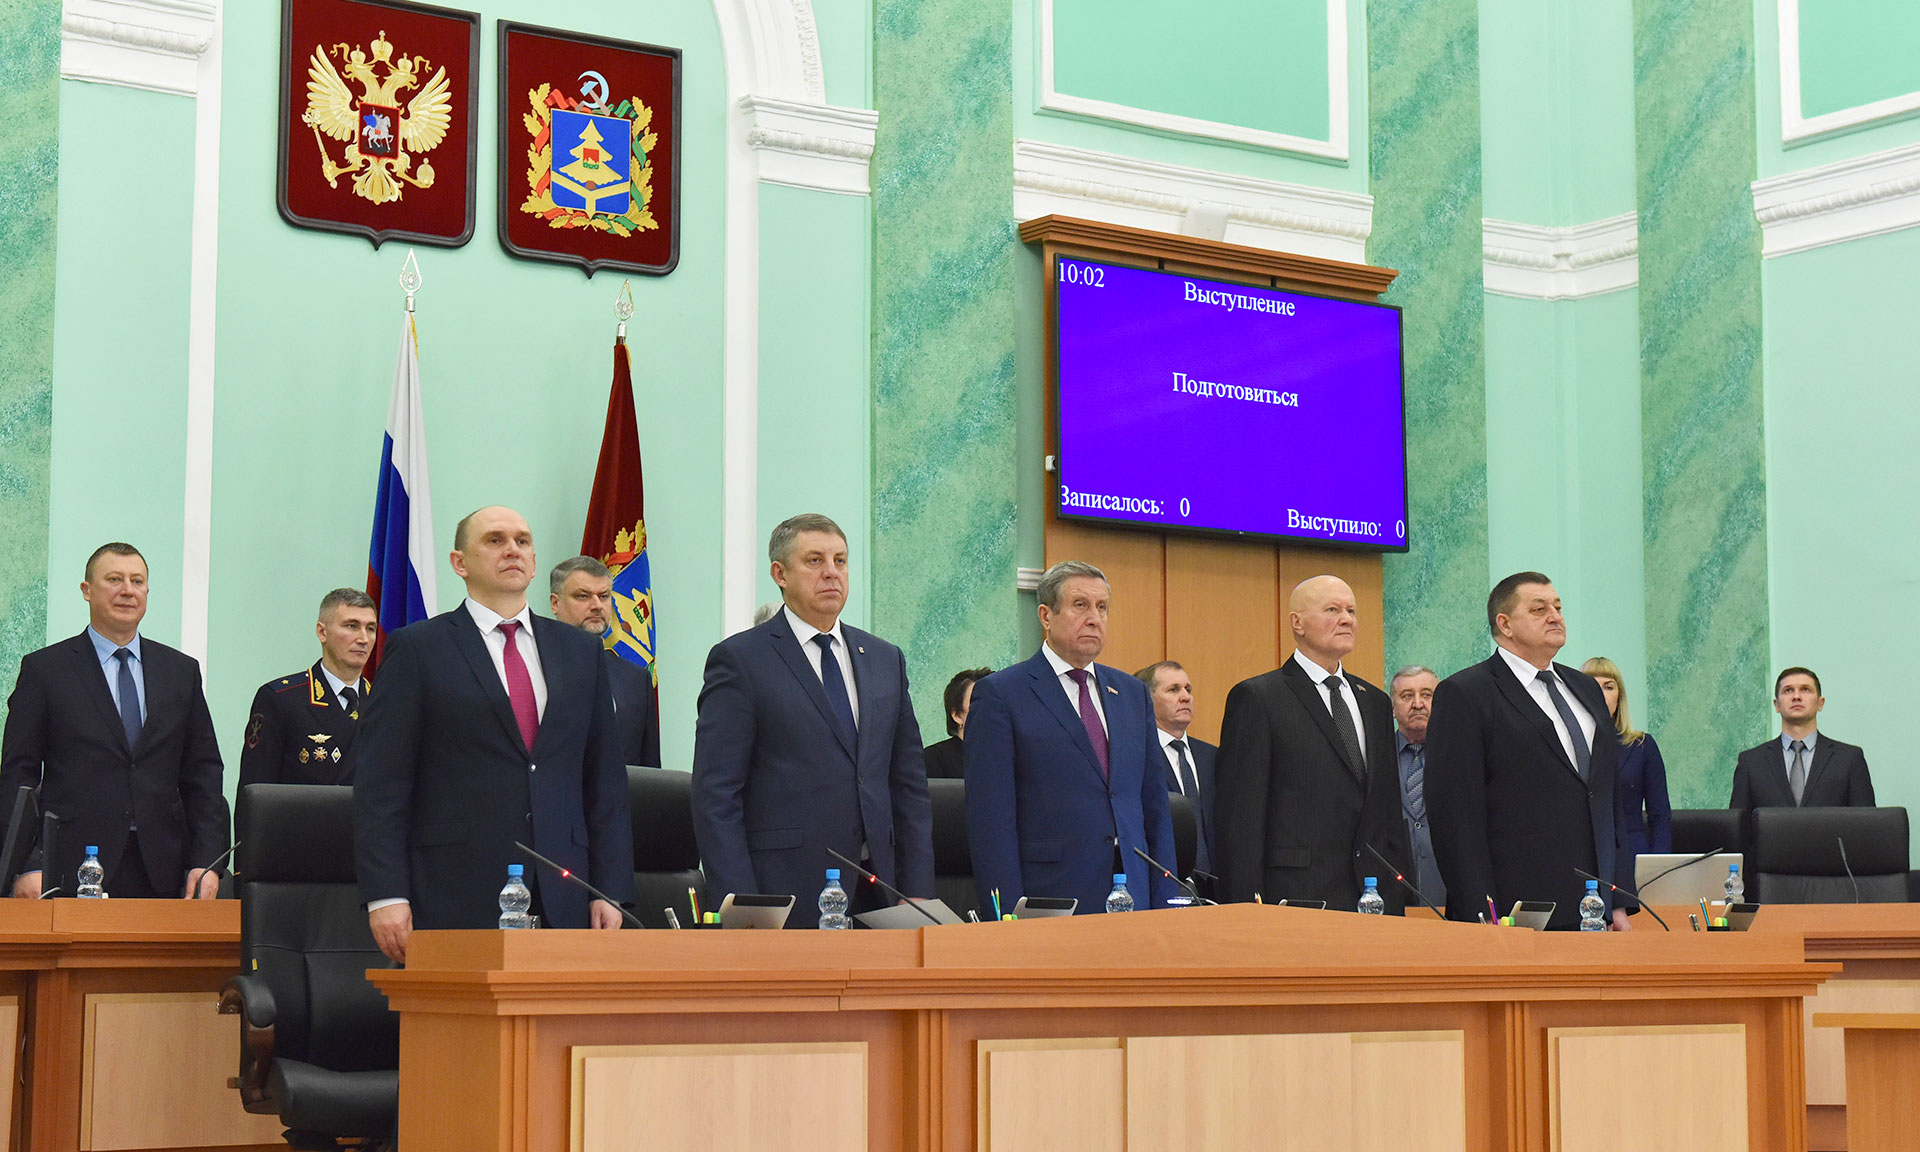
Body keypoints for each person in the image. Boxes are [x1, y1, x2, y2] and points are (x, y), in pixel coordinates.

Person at [354, 507, 633, 964]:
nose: (512, 550)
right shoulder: (418, 648)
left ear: (535, 562)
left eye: (522, 541)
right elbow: (382, 783)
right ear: (459, 562)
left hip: (565, 892)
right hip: (452, 890)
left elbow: (604, 780)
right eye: (495, 540)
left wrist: (609, 888)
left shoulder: (581, 652)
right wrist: (385, 894)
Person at [690, 514, 933, 922]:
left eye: (840, 561)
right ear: (780, 574)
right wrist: (742, 904)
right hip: (784, 890)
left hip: (881, 891)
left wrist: (919, 889)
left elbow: (908, 784)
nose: (831, 573)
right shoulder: (741, 660)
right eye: (815, 561)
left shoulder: (884, 659)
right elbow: (717, 793)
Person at [0, 543, 227, 899]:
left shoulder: (180, 672)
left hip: (164, 869)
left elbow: (203, 772)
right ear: (87, 590)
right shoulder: (45, 670)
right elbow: (19, 774)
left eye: (137, 581)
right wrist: (27, 864)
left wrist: (207, 862)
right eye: (114, 580)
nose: (127, 590)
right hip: (68, 866)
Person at [964, 561, 1178, 914]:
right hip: (1049, 898)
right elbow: (991, 820)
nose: (1094, 618)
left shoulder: (1131, 693)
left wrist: (1168, 902)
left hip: (1134, 898)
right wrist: (1006, 917)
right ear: (1046, 616)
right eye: (1081, 605)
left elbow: (1154, 805)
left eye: (1102, 607)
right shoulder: (1002, 694)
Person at [1427, 572, 1632, 930]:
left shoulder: (1585, 688)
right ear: (1504, 624)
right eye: (1539, 609)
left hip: (1594, 907)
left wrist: (1619, 901)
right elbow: (1455, 817)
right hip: (1515, 907)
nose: (1555, 616)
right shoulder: (1466, 693)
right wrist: (1482, 913)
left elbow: (1608, 800)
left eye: (1558, 607)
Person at [1213, 576, 1409, 911]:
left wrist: (1399, 896)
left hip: (1373, 898)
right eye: (1332, 610)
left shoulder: (1374, 702)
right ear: (1297, 622)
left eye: (1351, 611)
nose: (1346, 619)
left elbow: (1388, 812)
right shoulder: (1259, 698)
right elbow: (1241, 820)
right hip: (1296, 897)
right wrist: (1244, 908)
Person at [237, 588, 377, 788]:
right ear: (322, 632)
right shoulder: (282, 700)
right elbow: (255, 792)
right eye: (351, 626)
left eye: (370, 628)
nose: (363, 639)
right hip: (302, 810)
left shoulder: (385, 703)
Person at [549, 556, 661, 768]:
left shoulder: (636, 679)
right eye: (583, 596)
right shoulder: (533, 667)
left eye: (604, 596)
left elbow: (649, 770)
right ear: (555, 603)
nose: (597, 606)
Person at [1729, 667, 1875, 811]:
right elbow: (1738, 823)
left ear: (1820, 703)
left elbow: (1866, 821)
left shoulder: (1849, 759)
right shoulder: (1751, 762)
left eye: (1805, 689)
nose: (1796, 696)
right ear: (1776, 705)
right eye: (1788, 690)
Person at [1580, 656, 1671, 858]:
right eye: (1592, 685)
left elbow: (1660, 816)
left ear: (1619, 696)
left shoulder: (1642, 745)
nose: (1600, 694)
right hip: (1582, 852)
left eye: (1608, 687)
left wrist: (1659, 866)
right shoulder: (1568, 744)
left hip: (1631, 853)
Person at [1136, 660, 1214, 878]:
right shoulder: (1137, 756)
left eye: (1188, 689)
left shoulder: (1212, 756)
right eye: (1173, 689)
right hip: (1162, 878)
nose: (1186, 697)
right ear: (1146, 699)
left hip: (1216, 885)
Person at [1389, 664, 1446, 910]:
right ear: (1393, 708)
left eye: (1427, 694)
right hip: (1393, 890)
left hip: (1448, 886)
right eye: (1407, 696)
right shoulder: (1377, 755)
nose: (1418, 704)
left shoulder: (1459, 755)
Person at [923, 667, 990, 780]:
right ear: (957, 715)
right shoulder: (933, 759)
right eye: (978, 703)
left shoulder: (1014, 755)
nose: (990, 710)